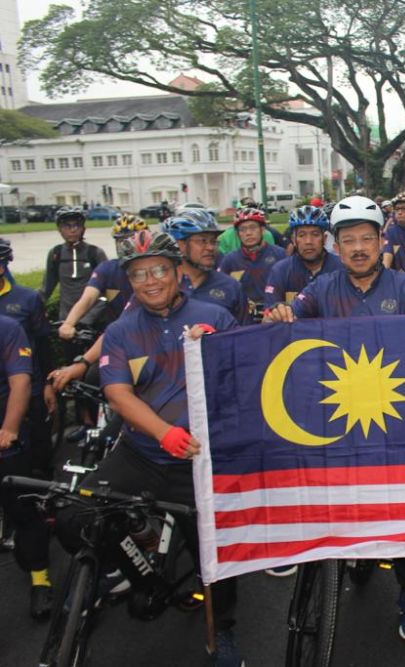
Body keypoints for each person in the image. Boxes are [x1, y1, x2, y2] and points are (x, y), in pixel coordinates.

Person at [55, 229, 243, 665]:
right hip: (143, 450)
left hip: (199, 459)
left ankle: (224, 630)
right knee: (73, 519)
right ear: (130, 282)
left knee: (213, 557)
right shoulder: (121, 331)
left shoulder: (215, 314)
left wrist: (216, 349)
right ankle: (125, 569)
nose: (151, 281)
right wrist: (163, 433)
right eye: (140, 275)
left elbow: (243, 381)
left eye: (160, 269)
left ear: (178, 272)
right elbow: (118, 394)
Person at [265, 196, 405, 642]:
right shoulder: (321, 288)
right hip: (336, 423)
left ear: (382, 241)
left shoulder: (403, 286)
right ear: (336, 247)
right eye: (348, 241)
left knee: (401, 514)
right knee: (336, 501)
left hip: (393, 422)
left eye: (367, 238)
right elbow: (291, 317)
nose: (359, 248)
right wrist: (281, 314)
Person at [0, 315, 49, 619]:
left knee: (22, 511)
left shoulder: (8, 328)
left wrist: (9, 428)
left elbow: (20, 382)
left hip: (5, 435)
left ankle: (41, 580)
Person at [0, 239, 56, 480]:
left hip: (28, 388)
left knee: (36, 452)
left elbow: (43, 344)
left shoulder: (27, 298)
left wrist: (48, 384)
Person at [58, 216, 148, 341]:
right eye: (119, 241)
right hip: (117, 335)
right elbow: (88, 298)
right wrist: (68, 324)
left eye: (130, 239)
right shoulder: (107, 269)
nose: (124, 245)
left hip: (150, 332)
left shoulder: (155, 268)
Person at [162, 211, 248, 324]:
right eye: (202, 241)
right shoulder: (158, 288)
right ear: (180, 245)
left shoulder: (231, 287)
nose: (211, 247)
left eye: (213, 241)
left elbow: (245, 334)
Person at [40, 208, 109, 335]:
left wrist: (89, 319)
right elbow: (46, 288)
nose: (73, 230)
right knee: (70, 354)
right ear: (59, 229)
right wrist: (33, 309)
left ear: (83, 228)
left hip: (94, 320)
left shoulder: (95, 253)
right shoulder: (56, 253)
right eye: (67, 226)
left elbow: (109, 290)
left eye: (77, 225)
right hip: (66, 320)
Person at [264, 205, 343, 307]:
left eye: (315, 234)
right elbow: (268, 316)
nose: (308, 242)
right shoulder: (280, 271)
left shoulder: (341, 268)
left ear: (325, 238)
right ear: (293, 240)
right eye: (302, 235)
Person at [217, 207, 287, 314]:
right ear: (237, 234)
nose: (248, 233)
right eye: (243, 229)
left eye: (253, 227)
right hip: (243, 319)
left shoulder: (281, 255)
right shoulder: (229, 260)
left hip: (274, 316)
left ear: (262, 229)